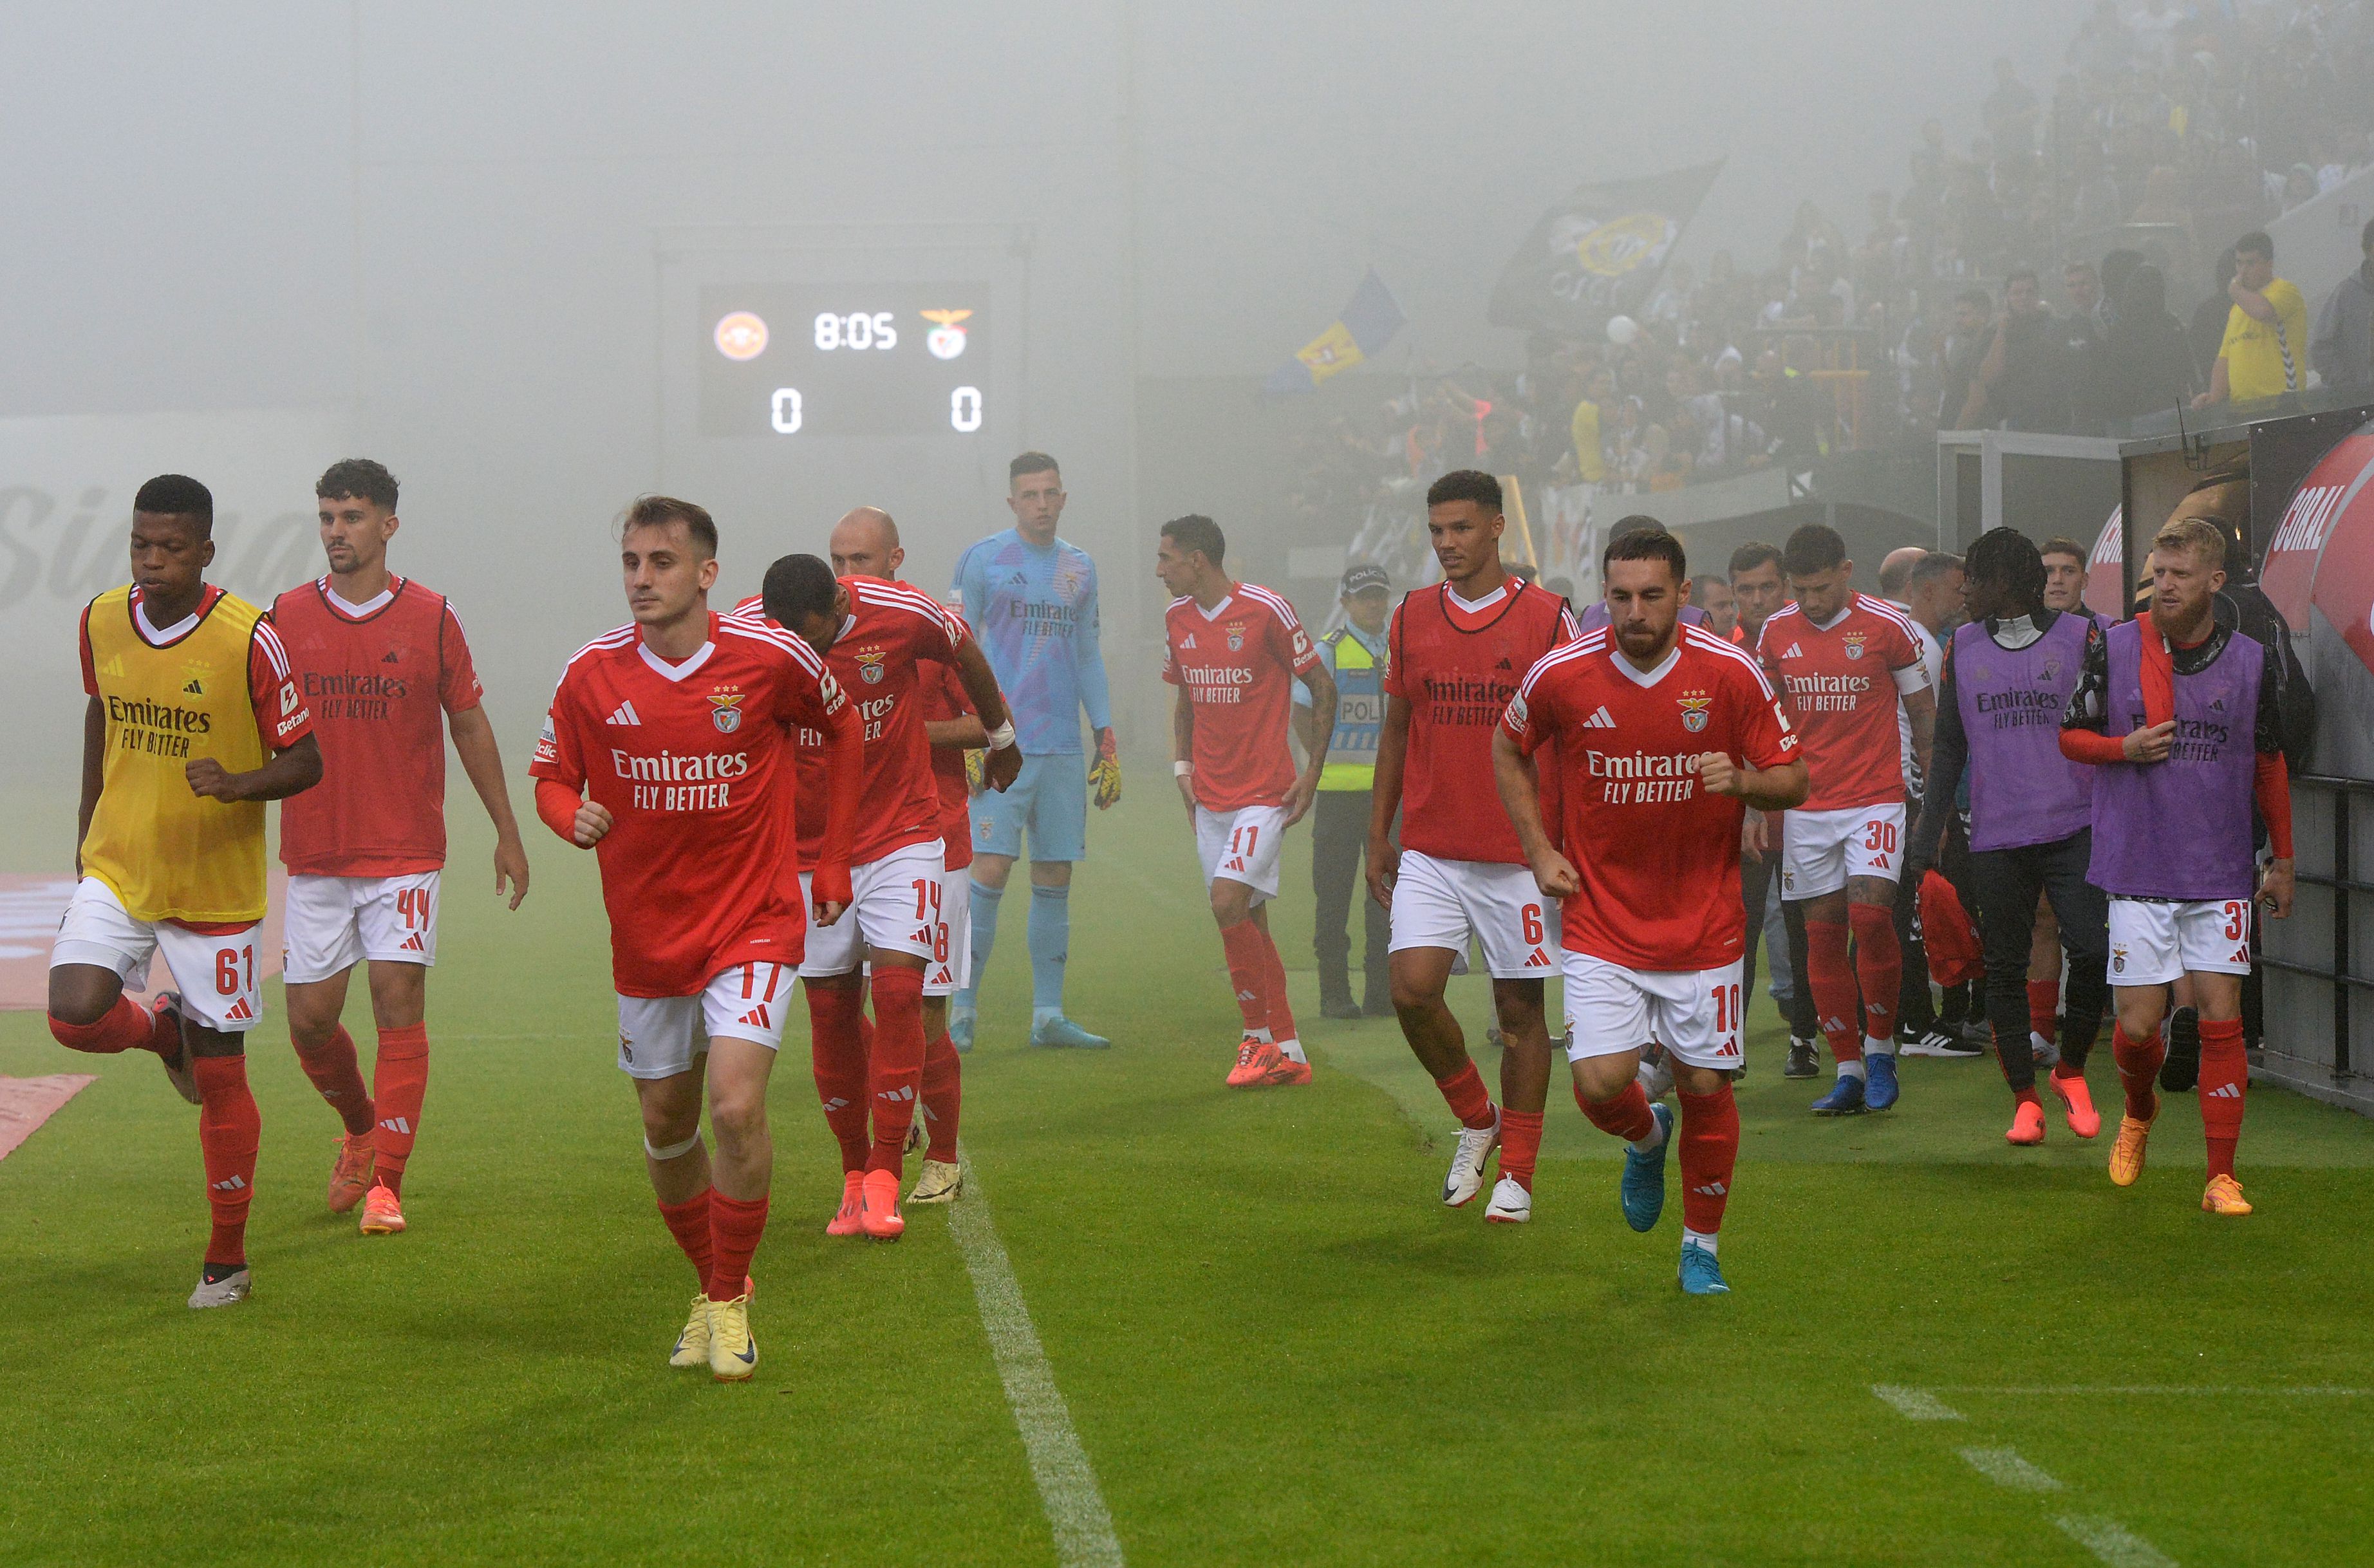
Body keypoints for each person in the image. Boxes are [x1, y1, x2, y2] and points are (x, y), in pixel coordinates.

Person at [528, 498, 860, 1380]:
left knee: (737, 1107)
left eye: (662, 563)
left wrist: (832, 861)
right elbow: (550, 775)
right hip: (648, 935)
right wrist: (573, 815)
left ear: (707, 574)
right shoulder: (592, 674)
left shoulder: (771, 657)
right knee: (666, 1123)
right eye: (633, 562)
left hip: (754, 920)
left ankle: (726, 1302)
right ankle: (716, 1283)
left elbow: (847, 725)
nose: (643, 578)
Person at [1494, 525, 1807, 1294]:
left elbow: (1794, 778)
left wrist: (1741, 782)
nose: (1633, 612)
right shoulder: (1563, 674)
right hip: (1602, 922)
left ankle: (1700, 1247)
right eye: (1620, 596)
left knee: (1706, 1085)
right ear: (1606, 593)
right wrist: (1538, 850)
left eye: (1651, 596)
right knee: (1600, 1082)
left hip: (1705, 926)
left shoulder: (1729, 672)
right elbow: (1507, 748)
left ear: (1684, 596)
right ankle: (1645, 1136)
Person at [46, 474, 322, 1309]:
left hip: (216, 886)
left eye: (171, 548)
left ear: (205, 552)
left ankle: (227, 1259)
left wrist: (239, 784)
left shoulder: (250, 638)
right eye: (141, 545)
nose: (153, 561)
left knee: (225, 1071)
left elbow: (306, 759)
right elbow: (101, 712)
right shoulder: (100, 618)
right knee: (72, 1011)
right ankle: (159, 1035)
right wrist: (90, 816)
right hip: (122, 864)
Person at [272, 459, 530, 1239]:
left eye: (351, 517)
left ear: (388, 524)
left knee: (397, 1004)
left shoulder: (432, 616)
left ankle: (387, 1182)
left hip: (405, 852)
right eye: (326, 517)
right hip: (317, 852)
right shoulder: (284, 615)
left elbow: (470, 723)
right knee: (310, 1023)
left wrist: (506, 830)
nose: (336, 532)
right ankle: (359, 1126)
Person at [756, 537, 1020, 1240]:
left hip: (905, 833)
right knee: (832, 1011)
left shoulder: (902, 612)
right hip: (810, 849)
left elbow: (965, 652)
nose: (804, 655)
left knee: (903, 992)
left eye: (814, 638)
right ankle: (851, 1176)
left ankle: (883, 1173)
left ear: (840, 603)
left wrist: (1001, 735)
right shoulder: (757, 629)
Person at [2059, 508, 2294, 1215]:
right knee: (2135, 1028)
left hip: (2218, 867)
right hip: (2136, 865)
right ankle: (2138, 1112)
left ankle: (2220, 1175)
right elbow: (2071, 737)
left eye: (2178, 575)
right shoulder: (2113, 644)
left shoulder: (2251, 660)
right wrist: (2120, 749)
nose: (2163, 586)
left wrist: (2281, 860)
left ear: (2214, 581)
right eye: (2156, 574)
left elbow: (2269, 764)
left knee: (2221, 1017)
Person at [1366, 471, 1578, 1223]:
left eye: (1460, 529)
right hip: (1430, 845)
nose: (1446, 544)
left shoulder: (1551, 619)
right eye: (1436, 531)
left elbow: (1574, 731)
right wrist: (1378, 834)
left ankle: (1517, 1171)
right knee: (1410, 992)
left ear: (1495, 528)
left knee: (1520, 1015)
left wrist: (1564, 841)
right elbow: (1397, 729)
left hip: (1516, 853)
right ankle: (1477, 1117)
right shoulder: (1410, 617)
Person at [816, 509, 996, 1206]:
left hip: (932, 839)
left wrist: (903, 733)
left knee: (920, 1010)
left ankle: (943, 1159)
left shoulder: (926, 631)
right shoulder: (823, 632)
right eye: (837, 561)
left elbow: (985, 720)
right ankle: (896, 1104)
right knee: (838, 1004)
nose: (847, 577)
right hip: (845, 844)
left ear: (896, 558)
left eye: (860, 560)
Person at [1907, 530, 2108, 1145]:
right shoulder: (1961, 647)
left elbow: (2107, 725)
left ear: (2009, 582)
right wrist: (1929, 825)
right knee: (2003, 968)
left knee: (2092, 954)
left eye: (1978, 578)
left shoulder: (2084, 637)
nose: (1965, 590)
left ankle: (2070, 1072)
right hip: (1995, 833)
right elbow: (1948, 746)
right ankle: (2024, 1098)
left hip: (2075, 826)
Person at [1758, 523, 1936, 1114]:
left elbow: (1924, 715)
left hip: (1876, 798)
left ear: (1846, 571)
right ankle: (1849, 1069)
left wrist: (1930, 800)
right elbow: (1764, 722)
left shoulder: (1890, 627)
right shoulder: (1777, 633)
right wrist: (1759, 801)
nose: (1811, 601)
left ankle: (1882, 1048)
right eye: (1800, 590)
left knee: (1871, 916)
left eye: (1820, 588)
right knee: (1823, 935)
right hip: (1807, 805)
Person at [949, 453, 1117, 1051]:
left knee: (1054, 874)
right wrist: (968, 730)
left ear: (1063, 498)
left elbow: (1088, 654)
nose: (1041, 503)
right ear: (1013, 502)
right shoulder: (984, 559)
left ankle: (1048, 1015)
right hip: (1002, 743)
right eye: (1030, 494)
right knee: (988, 870)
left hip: (1062, 749)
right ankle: (962, 1010)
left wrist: (1105, 732)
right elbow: (956, 649)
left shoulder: (1080, 567)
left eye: (1051, 493)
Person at [1157, 514, 1333, 1088]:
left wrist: (1311, 775)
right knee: (1251, 921)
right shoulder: (1176, 618)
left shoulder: (1266, 610)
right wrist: (1182, 769)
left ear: (1198, 561)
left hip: (1264, 792)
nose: (1160, 570)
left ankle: (1255, 1040)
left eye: (1167, 559)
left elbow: (1321, 686)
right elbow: (1184, 702)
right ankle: (1290, 1051)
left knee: (1227, 901)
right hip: (1210, 796)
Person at [1876, 547, 1983, 1060]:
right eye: (1957, 585)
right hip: (1909, 797)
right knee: (1912, 910)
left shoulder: (1906, 636)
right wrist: (1929, 811)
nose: (1964, 595)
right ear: (1926, 589)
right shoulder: (1921, 644)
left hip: (1894, 794)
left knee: (1896, 910)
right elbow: (1932, 738)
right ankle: (1917, 1025)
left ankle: (1905, 1020)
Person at [1729, 541, 1821, 1076]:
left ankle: (1804, 1037)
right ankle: (1727, 1045)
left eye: (1768, 586)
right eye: (1747, 589)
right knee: (1735, 932)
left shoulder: (1801, 634)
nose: (1759, 598)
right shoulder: (1730, 646)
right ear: (1734, 590)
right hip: (1749, 812)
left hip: (1804, 803)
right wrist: (1747, 808)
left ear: (1783, 586)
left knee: (1804, 927)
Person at [1297, 563, 1393, 1020]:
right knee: (1333, 898)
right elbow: (1300, 710)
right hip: (1337, 796)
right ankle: (1335, 993)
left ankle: (1382, 993)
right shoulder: (1329, 651)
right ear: (1346, 603)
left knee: (1386, 899)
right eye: (1364, 597)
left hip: (1387, 798)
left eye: (1379, 595)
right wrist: (1319, 757)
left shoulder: (1399, 650)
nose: (1374, 604)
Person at [2194, 231, 2309, 408]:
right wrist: (2213, 399)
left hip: (2283, 404)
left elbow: (2263, 312)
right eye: (2239, 263)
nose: (2242, 271)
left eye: (2251, 263)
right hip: (2243, 407)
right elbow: (2225, 358)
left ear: (2269, 264)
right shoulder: (2237, 309)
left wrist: (2234, 290)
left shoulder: (2285, 291)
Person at [1961, 269, 2073, 433]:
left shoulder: (2057, 328)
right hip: (2015, 422)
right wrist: (2002, 332)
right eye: (2017, 293)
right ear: (2007, 297)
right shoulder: (1993, 333)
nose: (2024, 298)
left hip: (2057, 422)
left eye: (2030, 292)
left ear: (2038, 295)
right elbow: (1987, 378)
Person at [2090, 265, 2196, 429]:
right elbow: (2188, 369)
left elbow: (2112, 380)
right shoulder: (2170, 325)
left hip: (2147, 417)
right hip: (2162, 414)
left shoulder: (2121, 330)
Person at [2310, 216, 2374, 398]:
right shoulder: (2346, 294)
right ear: (2368, 251)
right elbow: (2320, 347)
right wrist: (2347, 387)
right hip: (2359, 407)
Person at [1694, 575, 1739, 640]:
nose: (1731, 612)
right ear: (1697, 607)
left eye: (1731, 605)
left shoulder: (1736, 645)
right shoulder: (1680, 647)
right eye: (1721, 606)